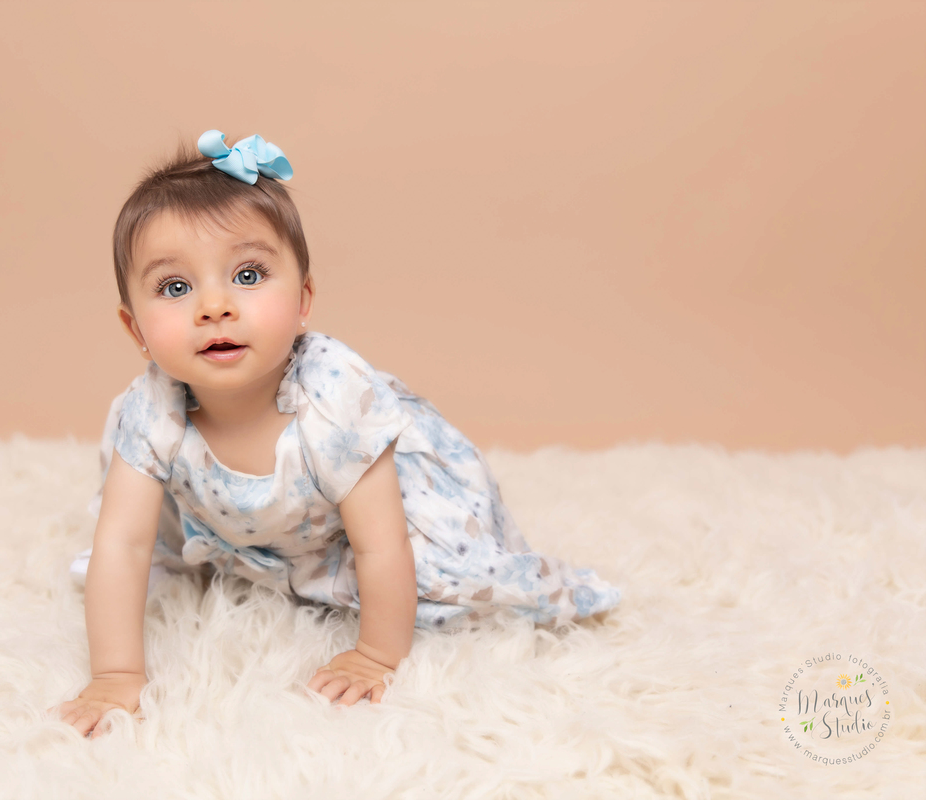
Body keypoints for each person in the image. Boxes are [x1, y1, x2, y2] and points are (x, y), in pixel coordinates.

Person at [55, 130, 621, 738]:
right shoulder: (151, 410)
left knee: (450, 588)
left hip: (373, 528)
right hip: (264, 532)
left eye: (248, 275)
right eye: (175, 287)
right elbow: (124, 544)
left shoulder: (333, 402)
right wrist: (115, 673)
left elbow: (382, 545)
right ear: (134, 328)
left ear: (303, 302)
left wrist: (376, 655)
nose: (214, 306)